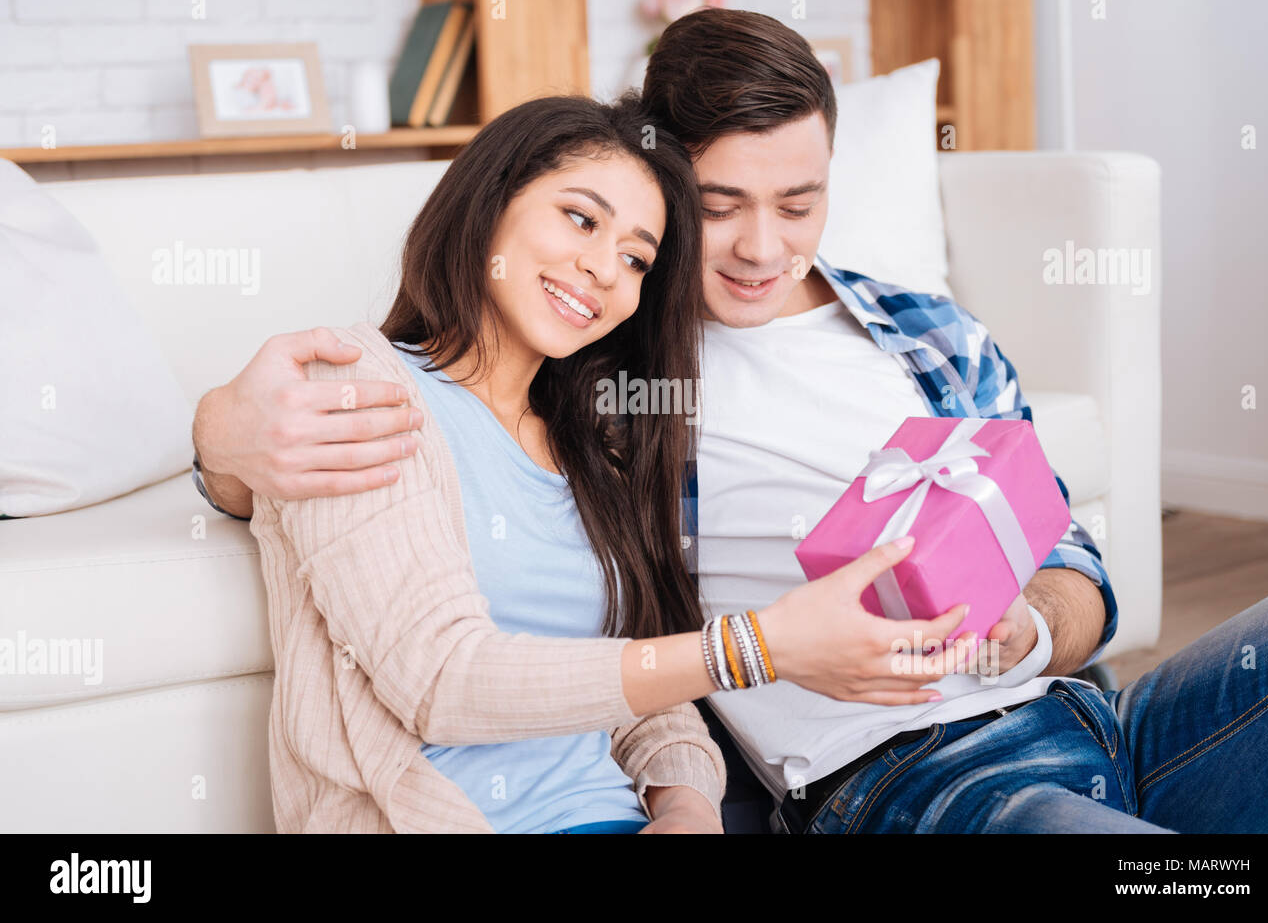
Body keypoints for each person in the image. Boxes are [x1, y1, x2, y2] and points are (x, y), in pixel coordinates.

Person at [195, 11, 1268, 833]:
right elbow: (440, 527)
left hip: (1096, 716)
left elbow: (1068, 556)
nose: (763, 249)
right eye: (718, 209)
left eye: (799, 204)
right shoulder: (606, 379)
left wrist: (1025, 627)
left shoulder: (927, 328)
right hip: (918, 779)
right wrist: (222, 443)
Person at [233, 92, 976, 835]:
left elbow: (639, 690)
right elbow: (440, 680)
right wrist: (755, 647)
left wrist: (685, 803)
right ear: (491, 201)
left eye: (635, 259)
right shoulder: (360, 383)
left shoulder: (595, 441)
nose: (601, 269)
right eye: (580, 219)